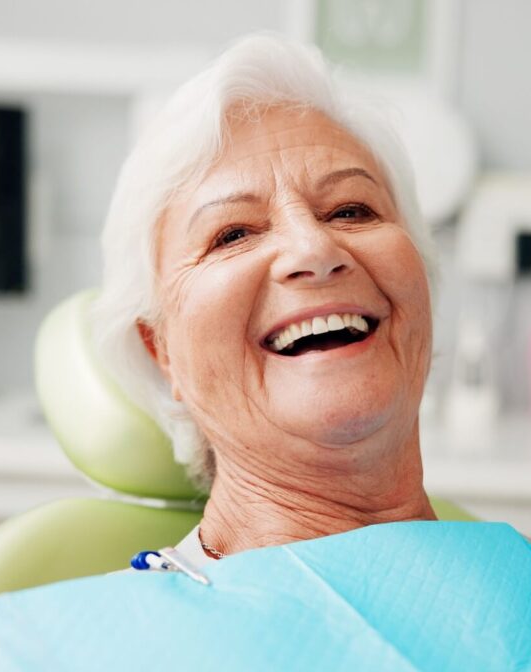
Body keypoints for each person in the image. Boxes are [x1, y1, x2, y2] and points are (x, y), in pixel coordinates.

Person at [93, 33, 439, 566]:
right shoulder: (144, 642)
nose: (315, 248)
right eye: (232, 234)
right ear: (161, 352)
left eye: (352, 210)